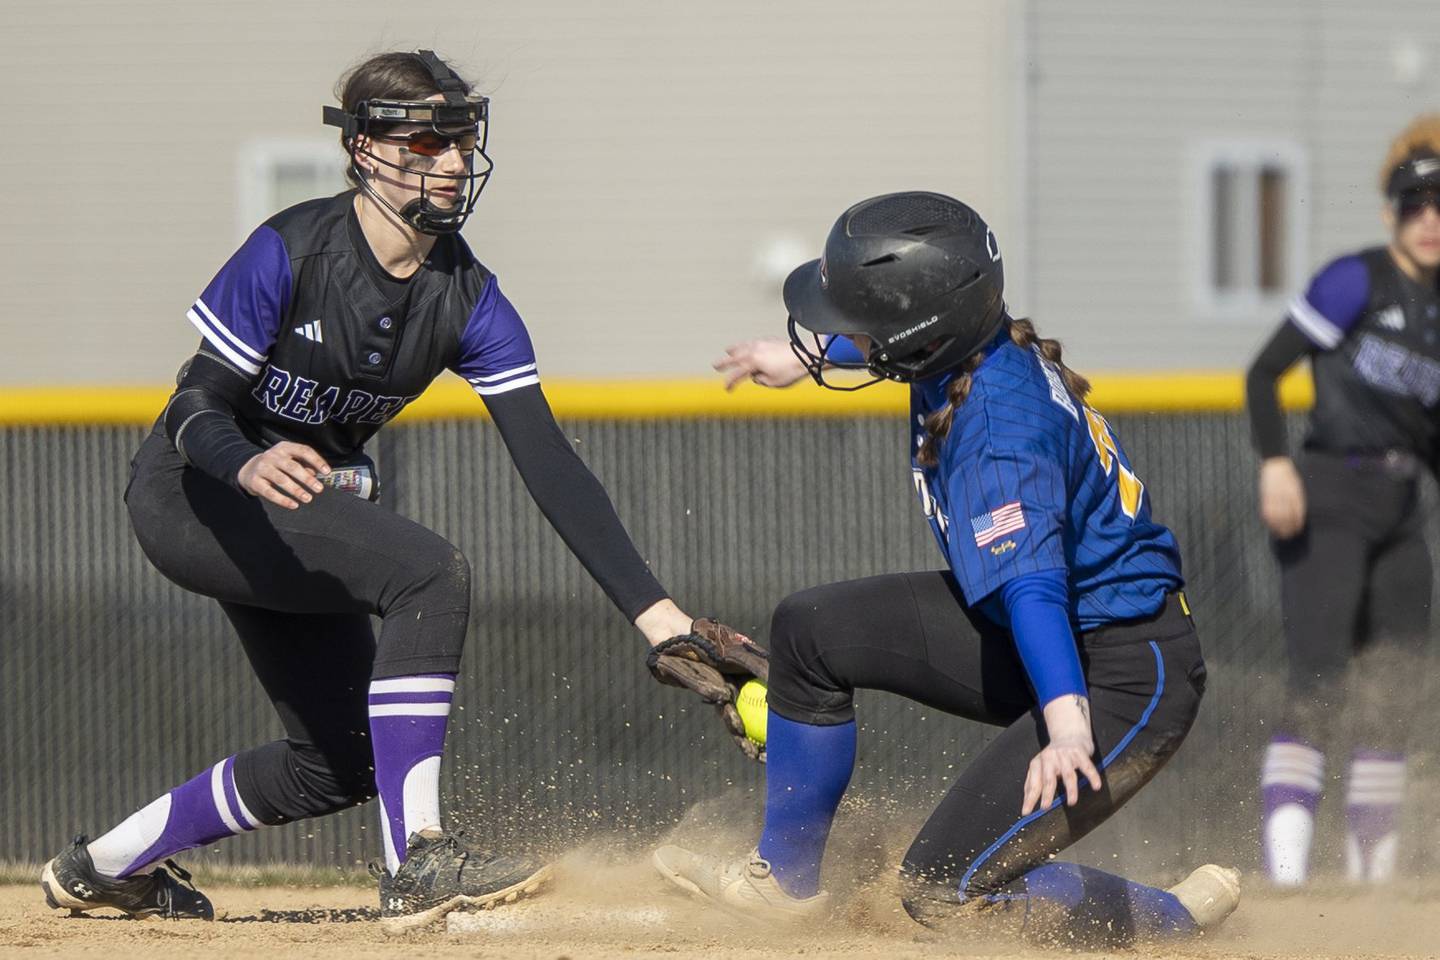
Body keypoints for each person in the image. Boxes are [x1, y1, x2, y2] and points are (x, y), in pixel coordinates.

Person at [38, 49, 759, 934]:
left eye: (461, 138)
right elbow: (194, 405)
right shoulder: (291, 249)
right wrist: (247, 462)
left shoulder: (467, 295)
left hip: (293, 511)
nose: (453, 159)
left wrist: (663, 621)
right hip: (194, 494)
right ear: (364, 151)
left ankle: (101, 867)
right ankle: (417, 861)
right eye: (426, 139)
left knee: (338, 764)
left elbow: (551, 463)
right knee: (429, 573)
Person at [651, 192, 1241, 947]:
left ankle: (1171, 918)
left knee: (938, 890)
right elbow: (895, 343)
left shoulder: (999, 430)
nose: (846, 330)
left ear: (919, 335)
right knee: (812, 628)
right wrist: (801, 358)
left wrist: (1066, 726)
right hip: (1053, 635)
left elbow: (1034, 588)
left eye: (859, 321)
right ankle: (783, 883)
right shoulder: (966, 347)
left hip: (1122, 676)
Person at [1246, 115, 1440, 887]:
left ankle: (1372, 883)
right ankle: (1288, 878)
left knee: (1395, 689)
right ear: (1392, 212)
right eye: (1415, 203)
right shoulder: (1355, 278)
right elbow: (1265, 373)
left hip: (1400, 505)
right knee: (1320, 678)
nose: (1430, 219)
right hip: (1327, 490)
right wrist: (1274, 466)